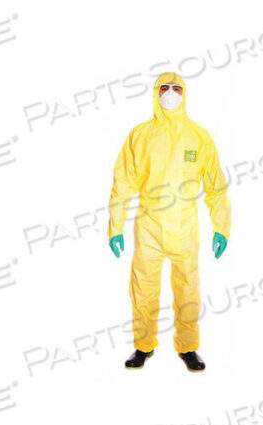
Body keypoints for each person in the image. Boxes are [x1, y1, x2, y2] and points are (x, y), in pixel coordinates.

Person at [107, 72, 231, 372]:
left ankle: (188, 347)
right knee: (143, 288)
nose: (171, 93)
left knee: (188, 290)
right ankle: (143, 345)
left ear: (185, 93)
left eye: (177, 88)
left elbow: (216, 187)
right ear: (155, 93)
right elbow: (122, 183)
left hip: (185, 228)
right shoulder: (140, 136)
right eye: (165, 88)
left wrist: (221, 228)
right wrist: (115, 227)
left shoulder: (199, 137)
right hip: (148, 228)